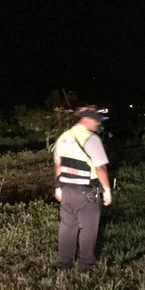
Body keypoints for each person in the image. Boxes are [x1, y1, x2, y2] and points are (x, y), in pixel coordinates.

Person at [53, 106, 112, 271]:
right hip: (87, 191)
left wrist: (58, 187)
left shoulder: (63, 137)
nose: (98, 125)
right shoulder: (91, 139)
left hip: (67, 190)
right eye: (96, 121)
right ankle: (85, 265)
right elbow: (100, 168)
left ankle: (64, 263)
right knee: (88, 227)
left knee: (67, 226)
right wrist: (107, 190)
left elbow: (58, 164)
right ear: (87, 119)